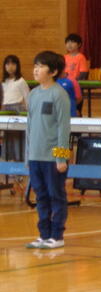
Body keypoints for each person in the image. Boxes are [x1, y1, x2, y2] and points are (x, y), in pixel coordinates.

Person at [25, 51, 71, 250]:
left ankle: (57, 235)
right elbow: (29, 126)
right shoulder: (33, 94)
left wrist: (61, 158)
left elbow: (64, 127)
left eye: (41, 66)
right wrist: (28, 156)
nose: (36, 69)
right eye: (35, 65)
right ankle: (43, 234)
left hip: (53, 158)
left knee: (56, 195)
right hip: (35, 156)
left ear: (53, 71)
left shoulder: (59, 94)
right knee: (40, 196)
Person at [2, 54, 29, 161]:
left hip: (18, 110)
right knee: (8, 137)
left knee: (18, 137)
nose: (10, 67)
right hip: (5, 110)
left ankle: (19, 160)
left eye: (13, 64)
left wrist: (27, 112)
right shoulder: (4, 82)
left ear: (18, 66)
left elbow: (27, 98)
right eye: (7, 64)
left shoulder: (21, 81)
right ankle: (8, 160)